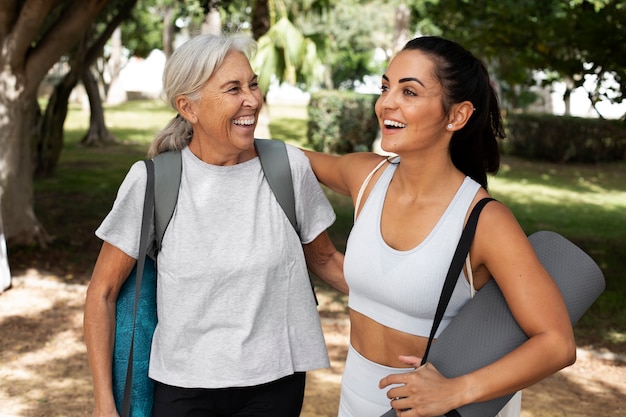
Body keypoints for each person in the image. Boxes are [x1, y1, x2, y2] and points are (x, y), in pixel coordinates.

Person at [303, 35, 576, 417]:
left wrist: (456, 392)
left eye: (409, 92)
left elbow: (557, 343)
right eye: (385, 87)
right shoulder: (365, 176)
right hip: (357, 396)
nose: (386, 102)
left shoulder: (484, 220)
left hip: (437, 407)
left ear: (457, 116)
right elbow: (291, 161)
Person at [83, 34, 347, 417]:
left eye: (253, 84)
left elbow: (325, 260)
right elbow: (102, 293)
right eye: (233, 89)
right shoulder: (153, 182)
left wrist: (405, 308)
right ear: (188, 107)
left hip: (275, 382)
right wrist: (103, 402)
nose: (252, 100)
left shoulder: (287, 168)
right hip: (183, 387)